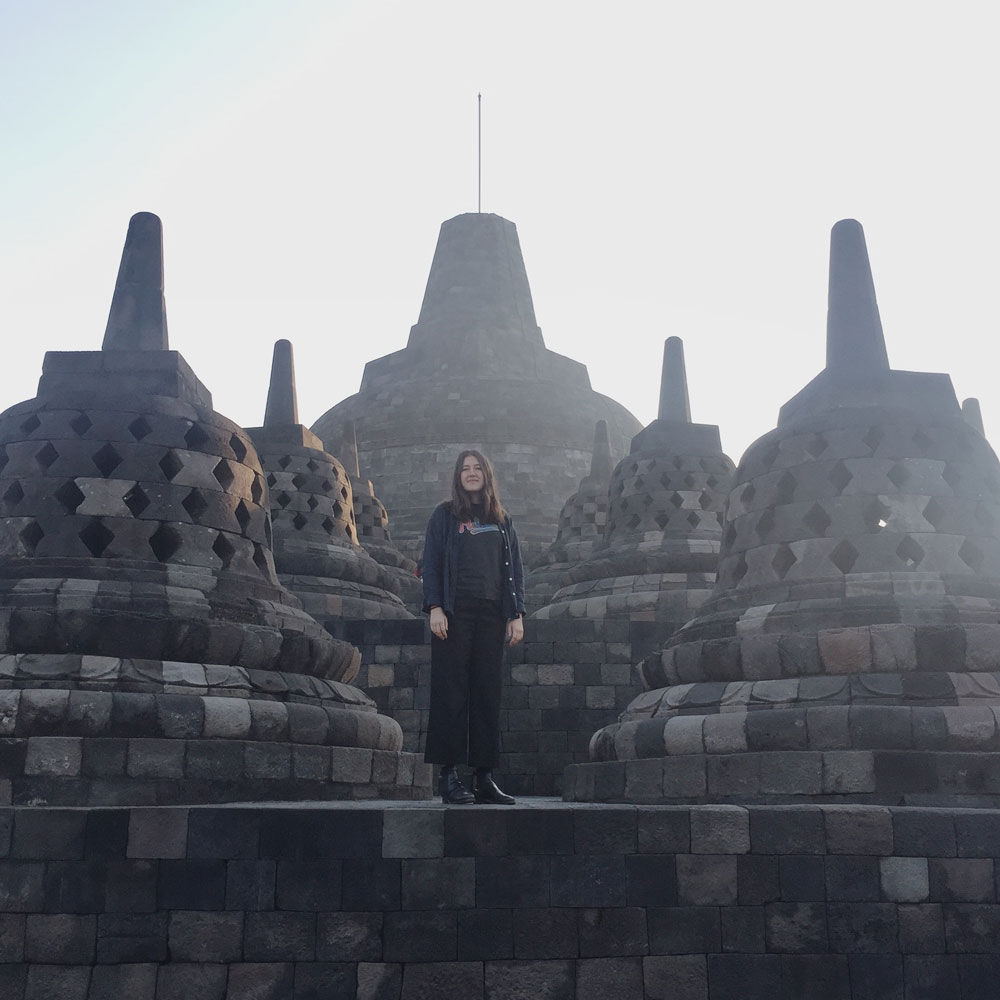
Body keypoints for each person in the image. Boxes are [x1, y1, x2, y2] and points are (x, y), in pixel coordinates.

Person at [421, 449, 525, 804]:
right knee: (451, 691)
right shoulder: (445, 515)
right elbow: (431, 562)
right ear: (458, 476)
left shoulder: (501, 519)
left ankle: (483, 777)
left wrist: (516, 613)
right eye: (465, 468)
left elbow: (515, 570)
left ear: (487, 473)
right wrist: (435, 607)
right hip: (454, 612)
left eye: (477, 467)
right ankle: (448, 776)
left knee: (486, 693)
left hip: (492, 614)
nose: (471, 473)